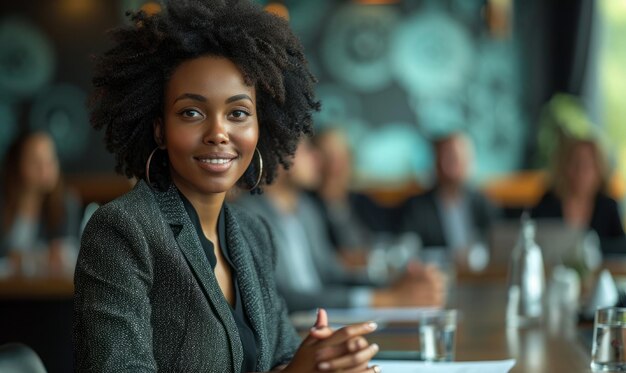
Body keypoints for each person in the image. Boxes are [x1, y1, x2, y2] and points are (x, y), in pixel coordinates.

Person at [74, 1, 381, 372]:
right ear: (160, 129)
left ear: (259, 127)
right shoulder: (123, 231)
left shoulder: (254, 234)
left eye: (238, 113)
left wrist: (325, 362)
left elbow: (281, 360)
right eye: (192, 112)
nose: (219, 133)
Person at [236, 139, 446, 312]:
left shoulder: (306, 210)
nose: (318, 159)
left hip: (323, 321)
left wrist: (394, 285)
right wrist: (384, 299)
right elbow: (280, 298)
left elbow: (331, 273)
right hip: (289, 333)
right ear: (277, 151)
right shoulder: (247, 214)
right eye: (308, 149)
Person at [0, 131, 81, 275]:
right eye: (35, 161)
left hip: (45, 293)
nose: (45, 168)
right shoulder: (3, 201)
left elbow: (65, 255)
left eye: (50, 160)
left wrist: (23, 259)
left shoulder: (66, 202)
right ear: (17, 163)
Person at [401, 132, 499, 250]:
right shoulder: (417, 207)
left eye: (454, 158)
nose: (446, 165)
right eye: (442, 156)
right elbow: (407, 248)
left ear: (468, 161)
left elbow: (498, 245)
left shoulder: (483, 203)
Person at [532, 137, 625, 253]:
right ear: (565, 167)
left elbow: (621, 247)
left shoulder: (608, 206)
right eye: (575, 163)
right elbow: (530, 240)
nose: (581, 172)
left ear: (599, 170)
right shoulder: (549, 201)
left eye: (588, 165)